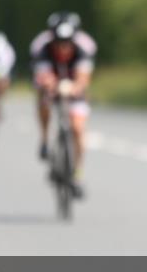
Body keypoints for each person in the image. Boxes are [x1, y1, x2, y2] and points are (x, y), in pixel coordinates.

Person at [30, 12, 97, 197]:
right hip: (51, 83)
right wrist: (51, 85)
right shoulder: (42, 47)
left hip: (73, 84)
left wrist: (75, 87)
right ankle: (44, 139)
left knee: (78, 128)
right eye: (59, 42)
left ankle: (77, 174)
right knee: (43, 100)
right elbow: (43, 76)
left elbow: (83, 77)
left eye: (67, 42)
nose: (63, 47)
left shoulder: (84, 47)